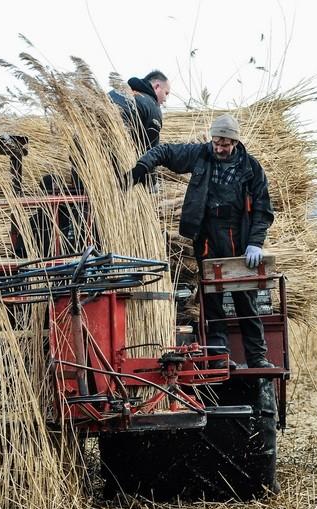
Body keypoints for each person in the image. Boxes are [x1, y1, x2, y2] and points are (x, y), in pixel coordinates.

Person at [128, 114, 275, 370]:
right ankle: (219, 357)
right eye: (216, 141)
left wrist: (255, 242)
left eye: (225, 144)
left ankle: (257, 357)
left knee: (245, 299)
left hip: (239, 238)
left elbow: (263, 209)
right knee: (212, 298)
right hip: (207, 236)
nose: (219, 148)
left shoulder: (251, 168)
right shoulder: (200, 154)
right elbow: (164, 151)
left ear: (235, 142)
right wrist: (142, 166)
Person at [108, 70, 171, 153]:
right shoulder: (153, 107)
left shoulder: (114, 92)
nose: (165, 99)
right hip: (115, 151)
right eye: (166, 93)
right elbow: (150, 152)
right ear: (157, 87)